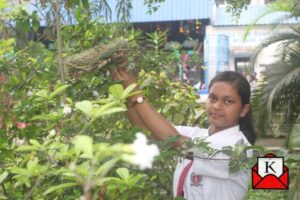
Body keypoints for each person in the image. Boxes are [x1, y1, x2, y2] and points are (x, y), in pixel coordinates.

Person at [111, 69, 256, 200]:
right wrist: (126, 90)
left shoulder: (238, 148)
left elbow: (174, 141)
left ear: (243, 110)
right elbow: (147, 128)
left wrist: (136, 92)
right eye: (212, 98)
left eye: (228, 101)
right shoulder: (198, 135)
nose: (217, 106)